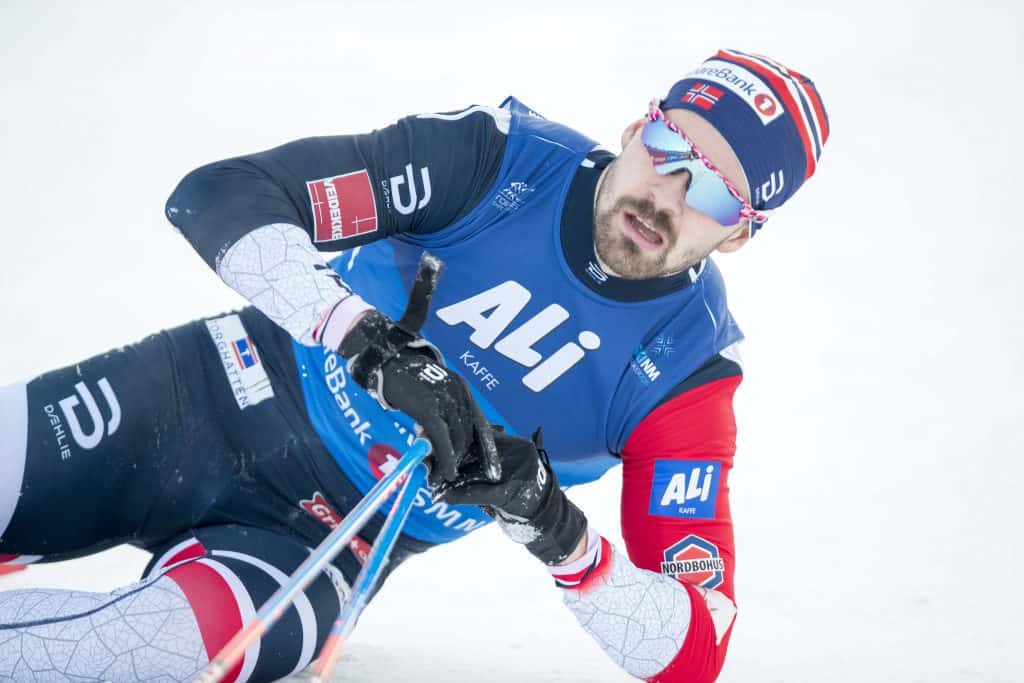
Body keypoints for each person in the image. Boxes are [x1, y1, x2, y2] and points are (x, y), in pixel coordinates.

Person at [0, 48, 828, 682]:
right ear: (635, 128)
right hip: (201, 395)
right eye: (670, 144)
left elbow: (693, 649)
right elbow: (221, 193)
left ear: (740, 233)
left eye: (714, 193)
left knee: (127, 652)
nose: (668, 193)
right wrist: (366, 340)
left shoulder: (687, 371)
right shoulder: (502, 160)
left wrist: (558, 530)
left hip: (313, 550)